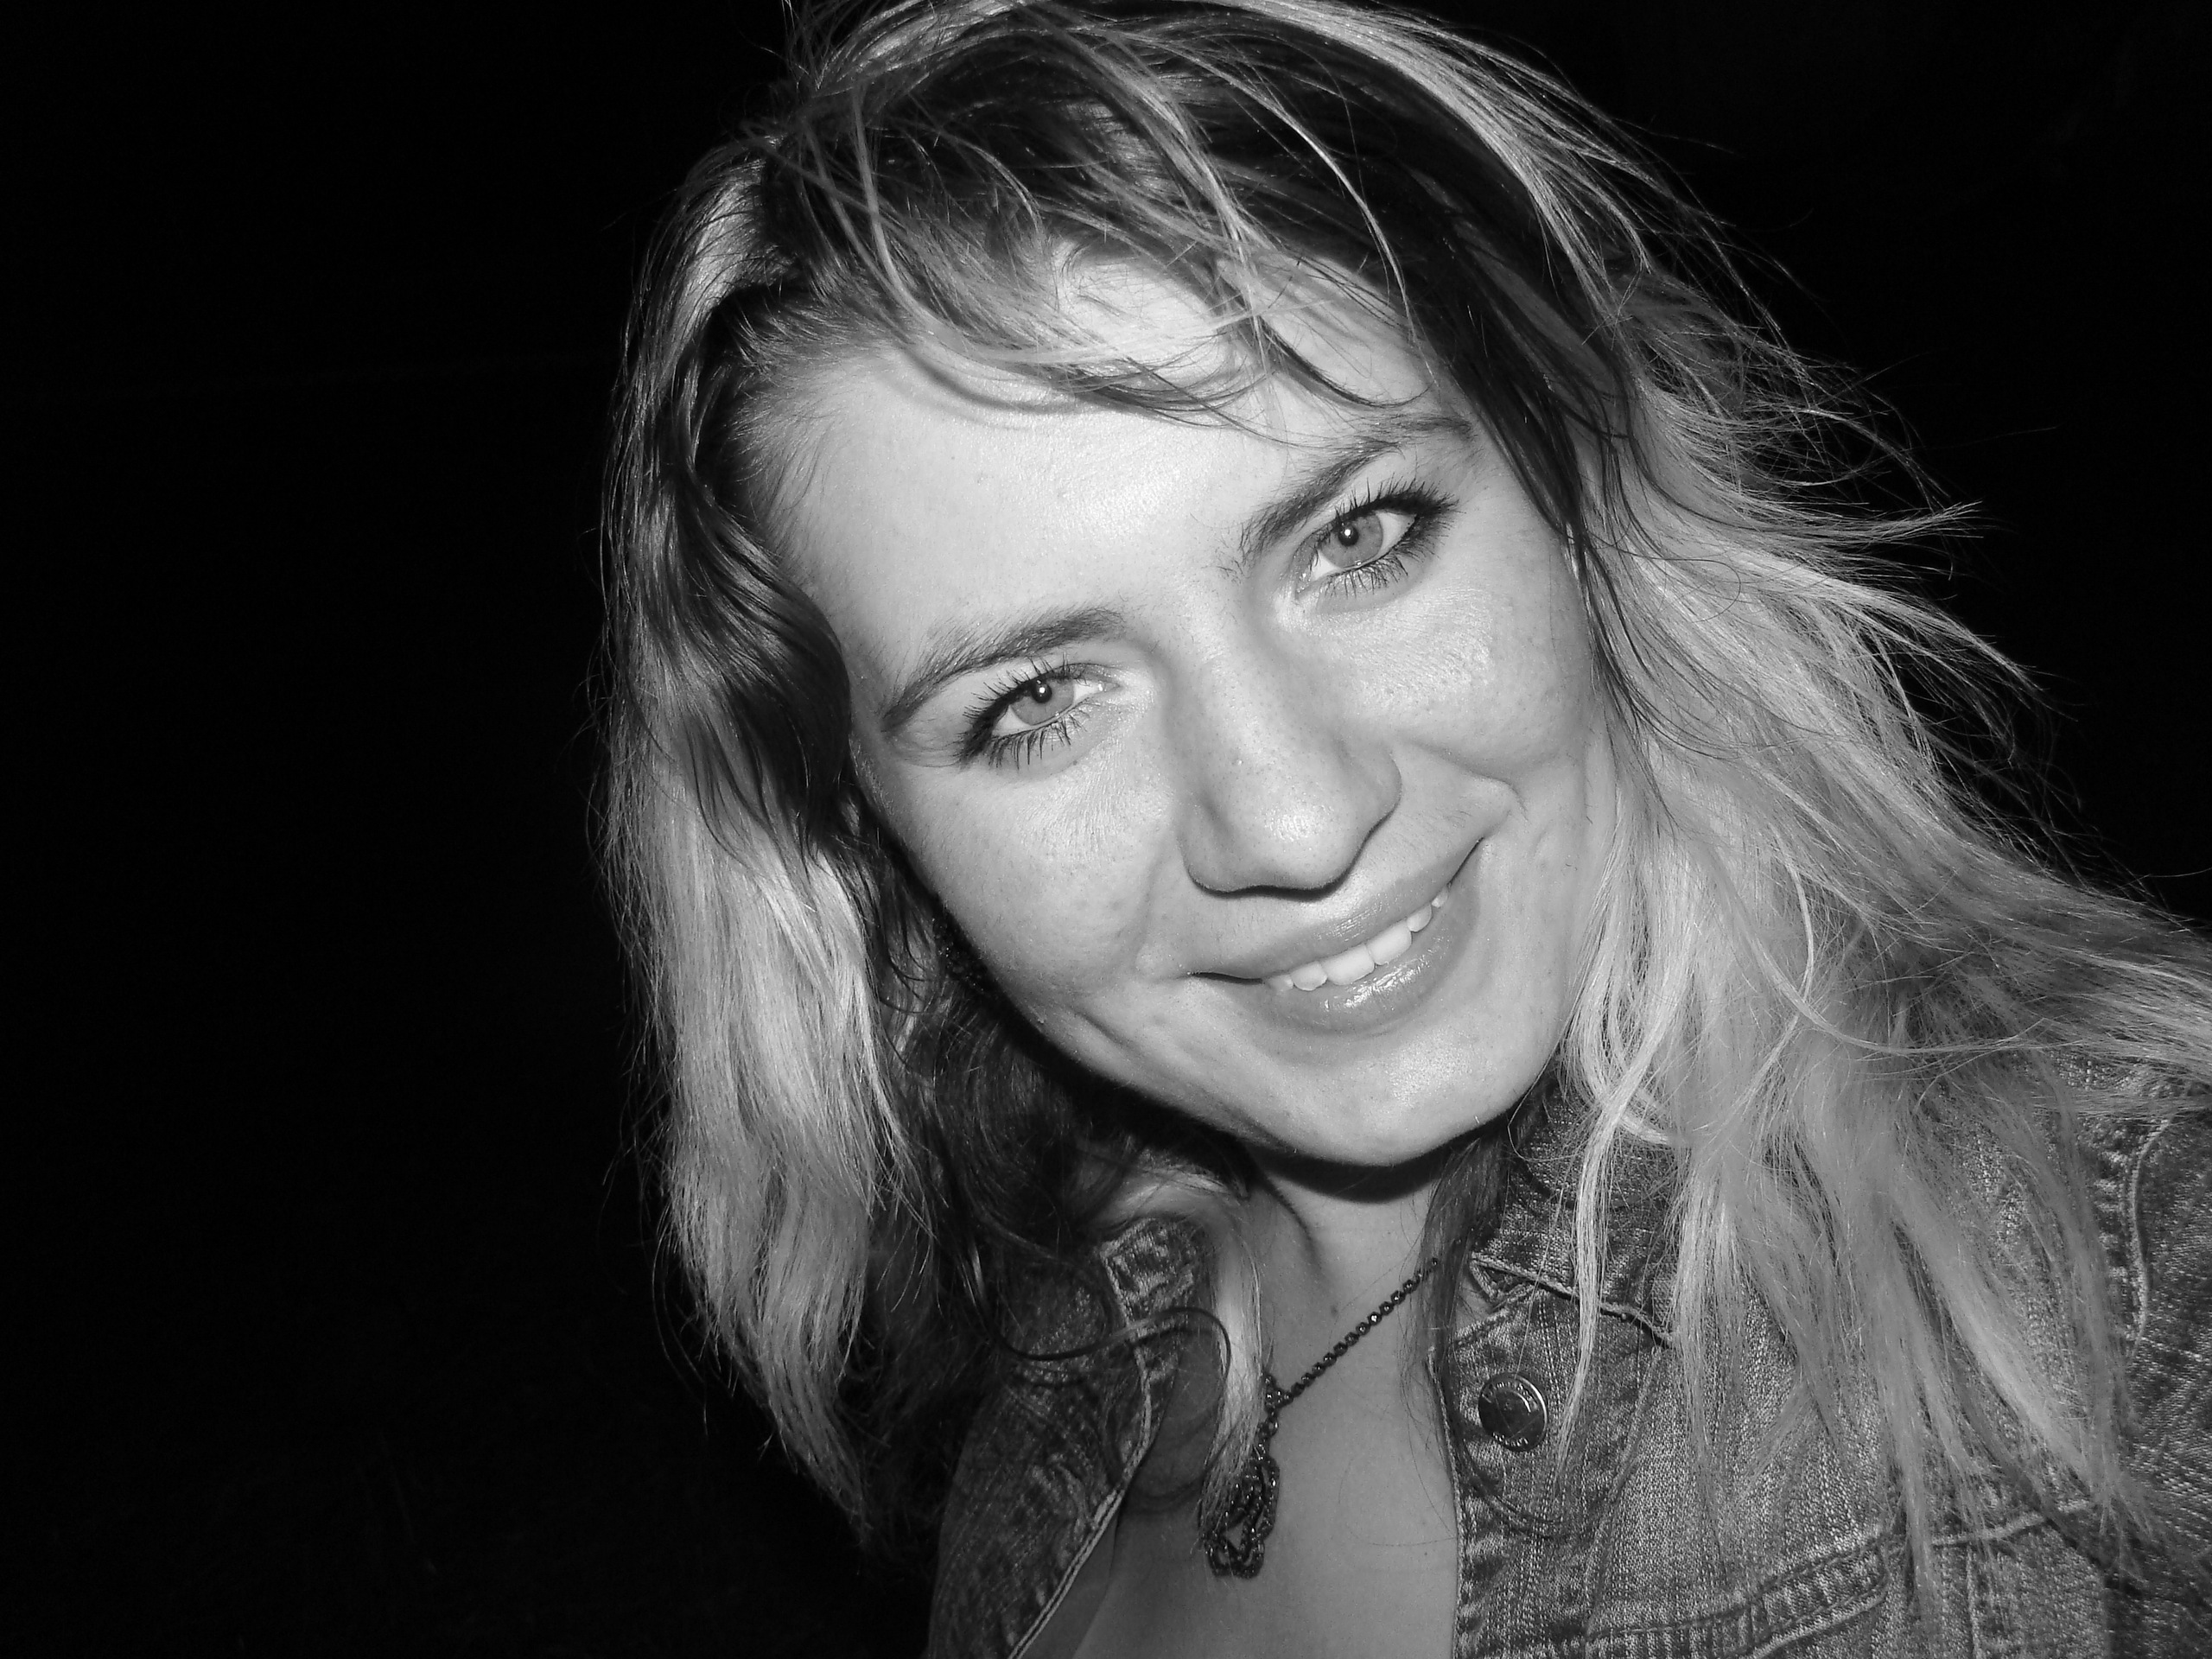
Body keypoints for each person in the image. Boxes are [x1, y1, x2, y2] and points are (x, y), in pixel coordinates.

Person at [602, 1, 2212, 1652]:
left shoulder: (2123, 1253)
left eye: (1360, 539)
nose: (1295, 822)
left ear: (1581, 487)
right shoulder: (1070, 1330)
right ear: (861, 842)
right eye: (1039, 702)